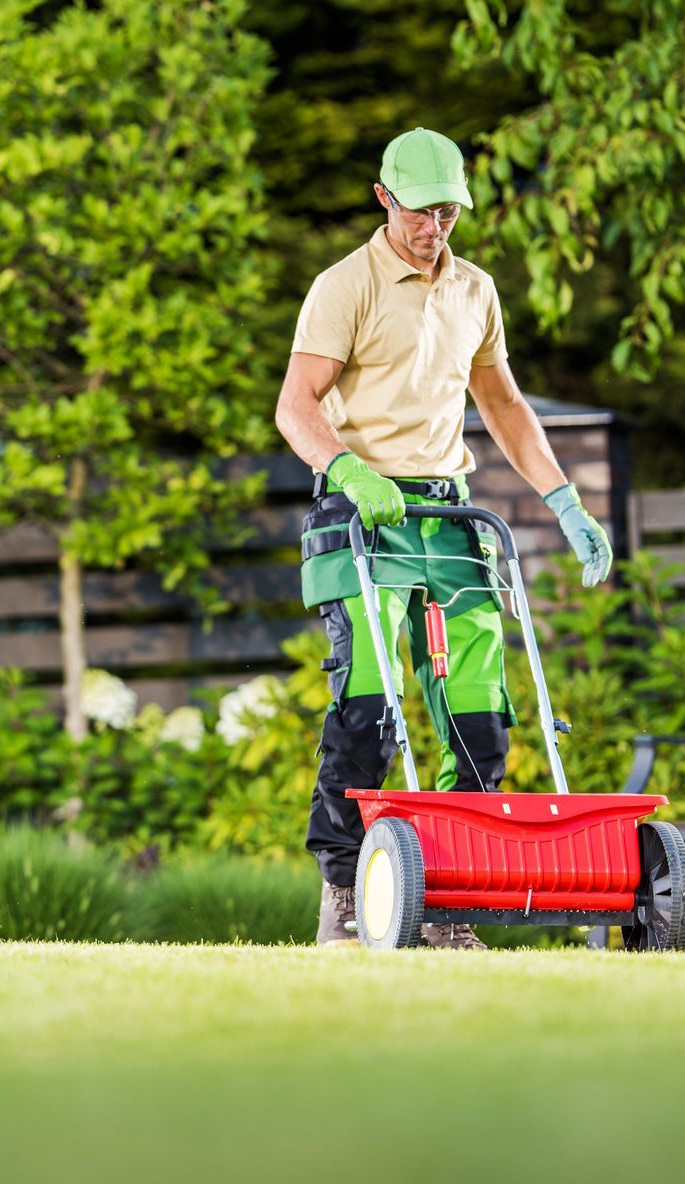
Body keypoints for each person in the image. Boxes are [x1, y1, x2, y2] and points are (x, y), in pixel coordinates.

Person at [273, 127, 611, 950]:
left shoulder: (476, 291)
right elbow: (295, 405)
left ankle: (448, 899)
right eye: (422, 212)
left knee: (479, 711)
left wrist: (565, 500)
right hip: (363, 515)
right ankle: (347, 892)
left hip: (450, 516)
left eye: (449, 212)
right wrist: (348, 470)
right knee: (368, 699)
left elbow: (502, 406)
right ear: (384, 198)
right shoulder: (343, 286)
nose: (435, 228)